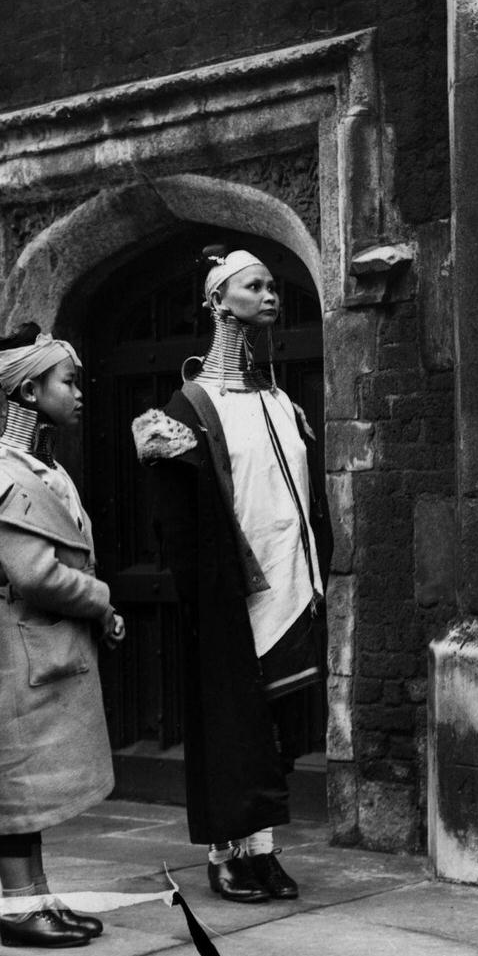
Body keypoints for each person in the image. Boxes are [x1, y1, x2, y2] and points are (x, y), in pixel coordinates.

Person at [132, 246, 332, 903]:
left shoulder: (280, 400)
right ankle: (225, 854)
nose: (270, 294)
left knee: (274, 725)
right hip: (229, 591)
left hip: (290, 583)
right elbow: (175, 511)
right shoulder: (190, 403)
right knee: (229, 724)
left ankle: (265, 850)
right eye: (254, 286)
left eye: (274, 286)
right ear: (220, 302)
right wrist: (204, 587)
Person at [0, 323, 125, 947]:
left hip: (39, 641)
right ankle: (18, 909)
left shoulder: (43, 468)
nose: (79, 393)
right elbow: (37, 576)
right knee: (13, 779)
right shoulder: (3, 479)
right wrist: (103, 601)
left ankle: (39, 898)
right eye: (68, 382)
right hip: (13, 645)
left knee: (29, 780)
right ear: (29, 391)